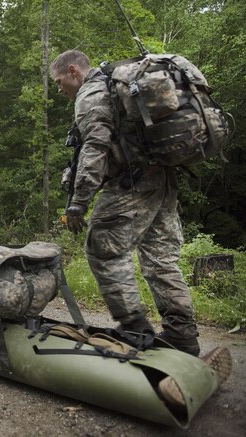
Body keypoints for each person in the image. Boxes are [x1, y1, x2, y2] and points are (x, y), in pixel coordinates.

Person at [49, 50, 200, 355]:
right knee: (160, 259)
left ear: (73, 71)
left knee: (101, 246)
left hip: (132, 182)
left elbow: (95, 146)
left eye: (58, 81)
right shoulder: (112, 86)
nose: (59, 89)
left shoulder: (90, 94)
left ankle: (134, 329)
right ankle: (181, 335)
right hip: (162, 179)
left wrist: (79, 202)